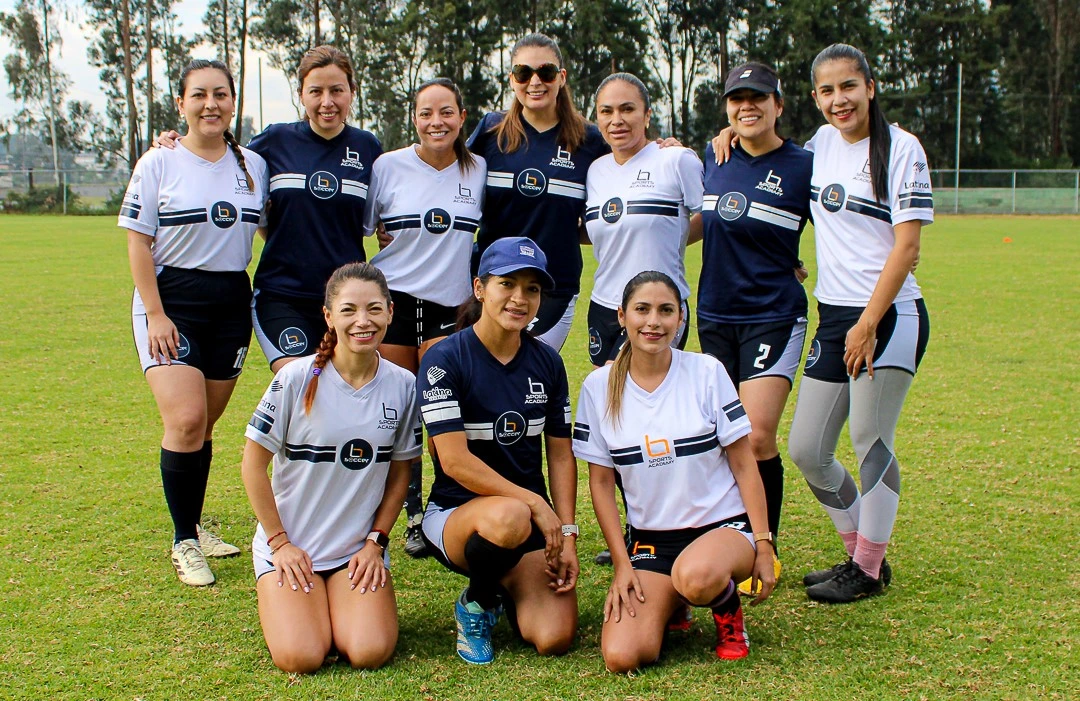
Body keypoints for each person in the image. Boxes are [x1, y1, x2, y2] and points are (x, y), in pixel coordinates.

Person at [786, 44, 933, 603]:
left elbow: (908, 246)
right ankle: (861, 552)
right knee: (806, 449)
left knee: (869, 438)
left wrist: (869, 322)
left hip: (888, 314)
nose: (838, 100)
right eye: (826, 91)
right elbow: (779, 172)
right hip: (833, 315)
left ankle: (867, 569)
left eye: (848, 86)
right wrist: (725, 139)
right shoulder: (820, 145)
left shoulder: (901, 148)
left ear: (869, 87)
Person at [573, 271, 776, 671]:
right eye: (642, 310)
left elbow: (743, 462)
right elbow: (600, 483)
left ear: (681, 318)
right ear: (621, 316)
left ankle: (726, 610)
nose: (654, 322)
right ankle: (672, 602)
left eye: (666, 311)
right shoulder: (598, 388)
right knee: (622, 656)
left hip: (722, 528)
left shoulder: (706, 372)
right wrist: (622, 564)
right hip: (652, 541)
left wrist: (764, 543)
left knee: (697, 576)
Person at [120, 59, 268, 586]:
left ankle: (196, 524)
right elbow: (139, 242)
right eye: (199, 95)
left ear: (233, 102)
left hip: (230, 300)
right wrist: (156, 313)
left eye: (221, 94)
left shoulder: (253, 163)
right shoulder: (158, 162)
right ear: (180, 104)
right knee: (183, 421)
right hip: (171, 300)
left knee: (203, 425)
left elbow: (276, 228)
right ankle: (184, 540)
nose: (211, 104)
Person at [156, 45, 383, 371]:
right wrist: (177, 144)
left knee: (342, 386)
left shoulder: (368, 147)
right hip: (283, 294)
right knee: (299, 378)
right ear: (301, 95)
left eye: (337, 90)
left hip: (346, 299)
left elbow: (384, 209)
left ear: (352, 92)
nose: (327, 102)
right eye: (315, 91)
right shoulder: (274, 141)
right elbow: (222, 160)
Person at [241, 262, 420, 672]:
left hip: (355, 551)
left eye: (375, 309)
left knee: (369, 651)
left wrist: (376, 542)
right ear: (328, 316)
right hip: (291, 548)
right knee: (301, 657)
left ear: (391, 312)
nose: (363, 321)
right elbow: (252, 467)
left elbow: (400, 474)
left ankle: (337, 603)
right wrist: (280, 544)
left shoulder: (403, 385)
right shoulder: (295, 378)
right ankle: (292, 597)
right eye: (349, 310)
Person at [417, 237, 578, 664]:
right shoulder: (444, 359)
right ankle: (476, 602)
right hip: (456, 515)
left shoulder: (548, 361)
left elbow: (561, 455)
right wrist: (534, 505)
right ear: (479, 288)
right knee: (510, 516)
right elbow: (453, 461)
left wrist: (568, 534)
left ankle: (507, 580)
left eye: (532, 289)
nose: (519, 298)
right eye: (507, 283)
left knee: (553, 638)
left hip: (526, 524)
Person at [698, 62, 813, 595]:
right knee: (724, 437)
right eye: (737, 99)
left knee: (757, 434)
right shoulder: (714, 155)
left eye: (758, 98)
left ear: (779, 105)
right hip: (715, 315)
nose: (747, 107)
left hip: (773, 313)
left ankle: (766, 544)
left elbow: (839, 228)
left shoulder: (804, 165)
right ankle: (730, 535)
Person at [363, 77, 487, 558]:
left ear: (461, 117)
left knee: (441, 413)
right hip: (391, 303)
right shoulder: (387, 166)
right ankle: (404, 518)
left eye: (446, 112)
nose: (436, 122)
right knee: (395, 414)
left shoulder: (477, 169)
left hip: (449, 307)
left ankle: (443, 511)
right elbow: (365, 226)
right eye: (425, 113)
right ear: (413, 118)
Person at [467, 33, 609, 350]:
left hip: (553, 285)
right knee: (486, 376)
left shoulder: (590, 140)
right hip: (492, 284)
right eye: (523, 73)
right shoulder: (491, 131)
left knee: (529, 375)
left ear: (561, 78)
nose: (535, 82)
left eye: (545, 72)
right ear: (511, 79)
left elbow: (632, 162)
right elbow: (446, 179)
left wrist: (666, 147)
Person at [583, 73, 703, 368]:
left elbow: (713, 218)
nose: (617, 120)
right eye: (606, 111)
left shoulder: (675, 160)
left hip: (655, 305)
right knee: (609, 403)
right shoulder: (594, 170)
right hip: (603, 304)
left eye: (628, 109)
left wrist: (672, 236)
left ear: (647, 115)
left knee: (629, 392)